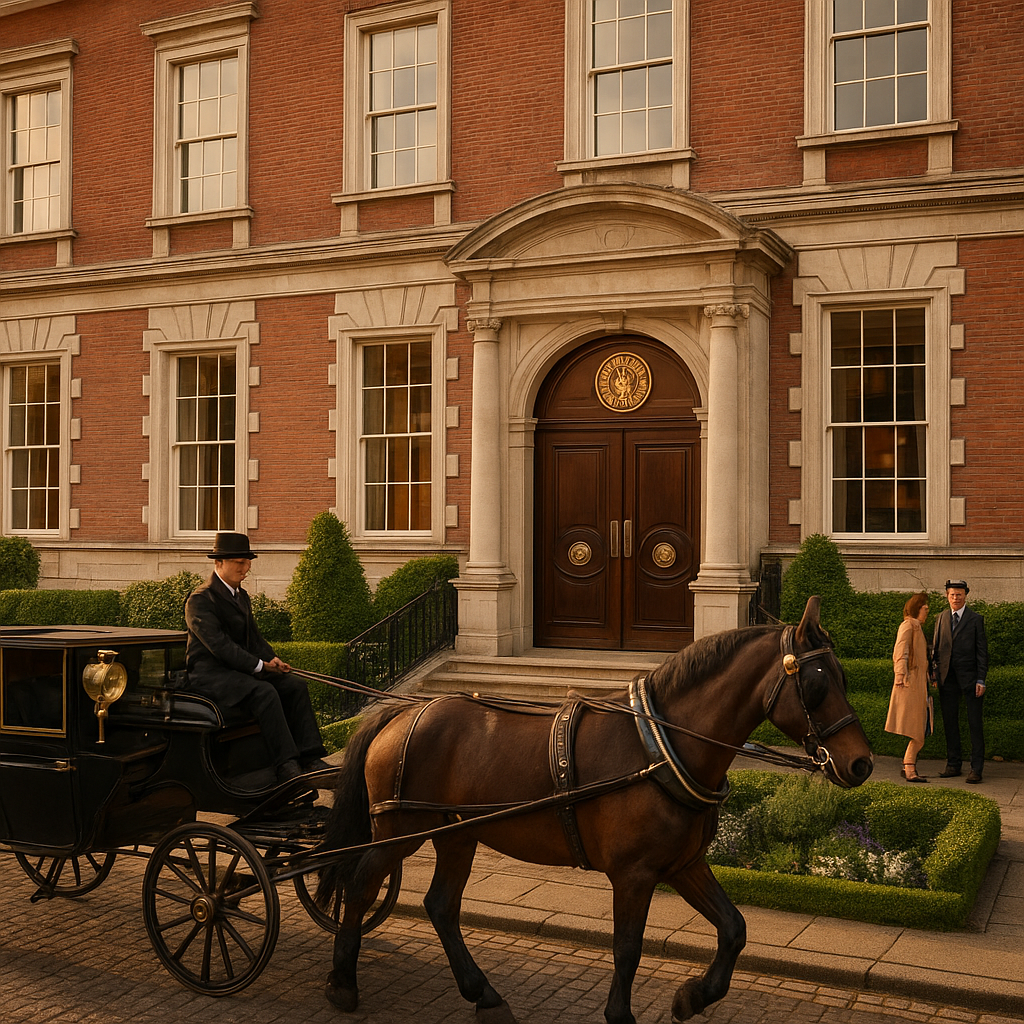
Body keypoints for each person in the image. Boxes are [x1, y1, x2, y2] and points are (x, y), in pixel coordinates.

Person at [185, 531, 330, 784]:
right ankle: (286, 765)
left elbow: (254, 639)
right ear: (218, 563)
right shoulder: (200, 600)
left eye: (247, 563)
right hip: (210, 675)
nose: (245, 569)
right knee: (265, 692)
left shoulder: (241, 596)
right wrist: (259, 666)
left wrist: (272, 659)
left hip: (237, 672)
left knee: (295, 686)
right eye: (239, 563)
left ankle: (311, 757)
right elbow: (220, 646)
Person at [930, 579, 988, 783]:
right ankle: (953, 764)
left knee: (974, 724)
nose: (956, 598)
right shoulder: (941, 618)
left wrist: (981, 679)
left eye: (959, 595)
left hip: (971, 679)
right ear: (947, 596)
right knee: (950, 722)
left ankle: (976, 768)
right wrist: (934, 673)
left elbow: (982, 652)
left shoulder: (975, 619)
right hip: (947, 679)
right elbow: (936, 648)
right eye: (952, 595)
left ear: (965, 596)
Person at [884, 593, 932, 783]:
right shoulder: (908, 625)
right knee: (917, 730)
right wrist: (900, 675)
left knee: (921, 729)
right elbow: (900, 650)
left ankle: (909, 766)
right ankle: (909, 767)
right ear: (916, 608)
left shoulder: (917, 627)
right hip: (910, 683)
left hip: (919, 683)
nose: (927, 610)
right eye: (924, 606)